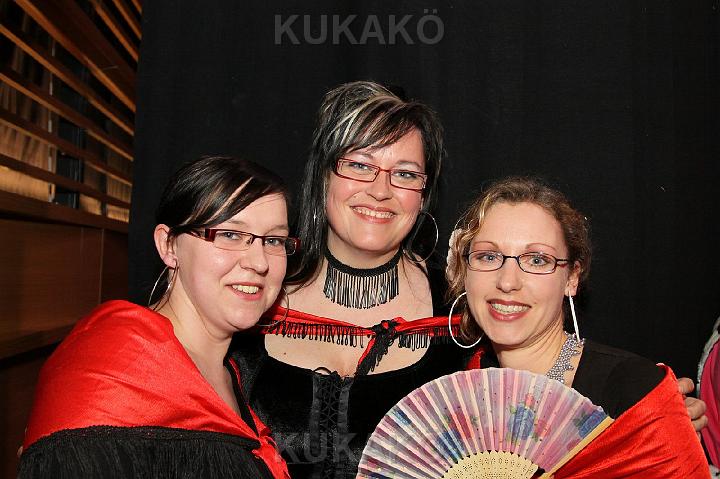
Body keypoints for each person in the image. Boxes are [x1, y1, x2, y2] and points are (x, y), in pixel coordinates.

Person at [232, 81, 469, 478]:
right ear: (323, 175)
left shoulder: (457, 316)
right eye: (359, 165)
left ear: (423, 194)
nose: (380, 191)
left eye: (405, 174)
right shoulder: (250, 292)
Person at [18, 156, 293, 478]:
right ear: (168, 245)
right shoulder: (113, 369)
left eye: (273, 240)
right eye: (230, 235)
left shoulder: (240, 372)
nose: (259, 262)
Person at [445, 176, 709, 478]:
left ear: (571, 278)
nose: (507, 282)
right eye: (488, 256)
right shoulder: (458, 394)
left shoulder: (632, 393)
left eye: (537, 260)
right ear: (465, 271)